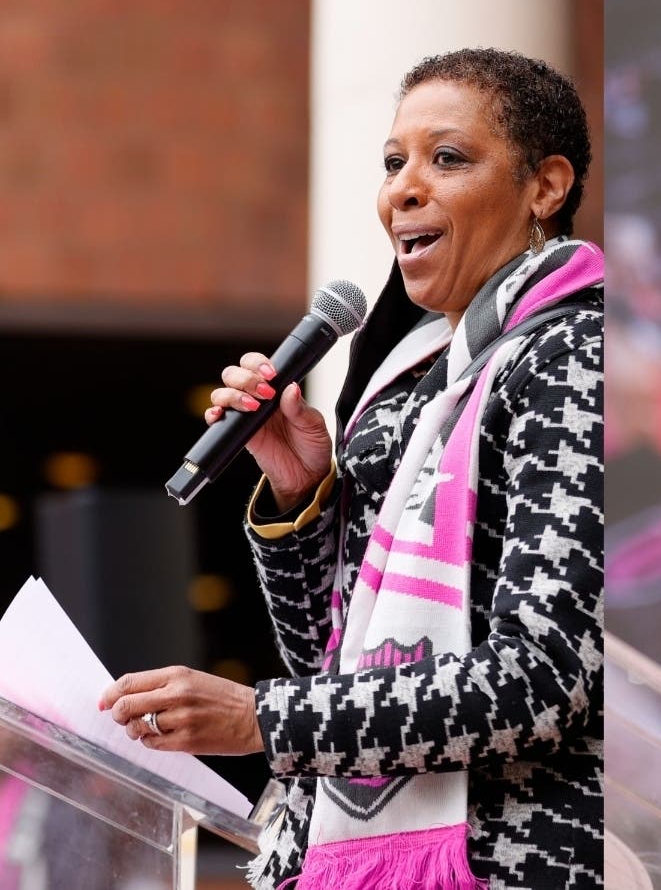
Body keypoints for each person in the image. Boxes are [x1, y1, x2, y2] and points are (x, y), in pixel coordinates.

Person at [99, 47, 603, 889]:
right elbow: (329, 660)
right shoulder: (411, 378)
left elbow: (546, 677)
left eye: (447, 159)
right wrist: (302, 495)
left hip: (503, 860)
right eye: (392, 163)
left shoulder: (573, 354)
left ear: (546, 186)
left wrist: (259, 720)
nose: (403, 189)